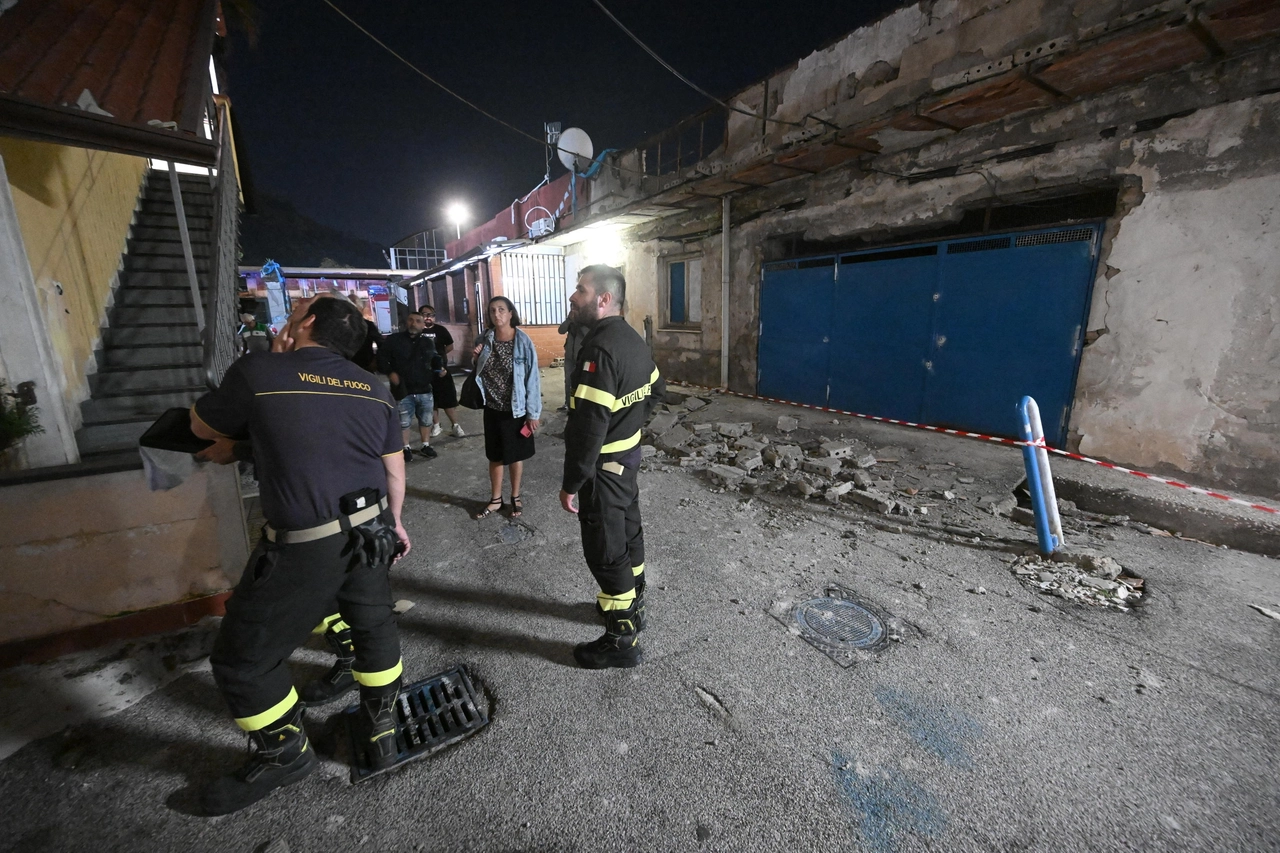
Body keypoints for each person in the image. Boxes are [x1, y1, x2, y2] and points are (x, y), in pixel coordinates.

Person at [189, 296, 410, 815]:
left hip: (306, 545)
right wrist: (396, 524)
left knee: (243, 661)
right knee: (371, 625)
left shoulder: (261, 370)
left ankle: (285, 752)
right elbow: (393, 468)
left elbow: (201, 432)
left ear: (307, 323)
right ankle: (383, 731)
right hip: (371, 530)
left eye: (297, 312)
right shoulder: (373, 388)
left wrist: (243, 441)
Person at [559, 265, 663, 670]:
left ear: (603, 299)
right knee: (627, 530)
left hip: (604, 469)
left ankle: (622, 638)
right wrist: (631, 426)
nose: (573, 297)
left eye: (580, 291)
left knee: (605, 548)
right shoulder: (632, 339)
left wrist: (572, 482)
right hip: (628, 459)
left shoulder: (600, 349)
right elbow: (657, 388)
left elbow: (588, 428)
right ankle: (632, 601)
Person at [470, 296, 541, 519]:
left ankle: (515, 496)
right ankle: (496, 499)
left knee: (515, 455)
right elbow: (478, 370)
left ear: (511, 313)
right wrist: (475, 359)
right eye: (492, 310)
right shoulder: (484, 339)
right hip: (492, 408)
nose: (497, 314)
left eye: (502, 309)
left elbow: (532, 378)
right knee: (495, 456)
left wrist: (533, 413)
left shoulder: (523, 341)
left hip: (516, 410)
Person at [378, 311, 444, 461]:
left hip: (424, 388)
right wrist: (390, 372)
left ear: (423, 325)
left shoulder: (427, 342)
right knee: (403, 422)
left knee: (426, 420)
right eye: (411, 320)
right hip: (403, 390)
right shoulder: (394, 340)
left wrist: (440, 369)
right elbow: (382, 359)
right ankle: (405, 448)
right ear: (406, 322)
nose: (413, 323)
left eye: (417, 321)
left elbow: (435, 357)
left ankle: (425, 445)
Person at [419, 307, 464, 438]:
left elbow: (450, 346)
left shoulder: (441, 330)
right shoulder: (418, 331)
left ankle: (455, 425)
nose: (428, 317)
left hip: (442, 371)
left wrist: (440, 358)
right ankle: (436, 425)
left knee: (448, 399)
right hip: (424, 372)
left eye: (431, 315)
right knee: (431, 400)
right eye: (425, 314)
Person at [557, 313, 588, 412]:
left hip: (582, 357)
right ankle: (568, 405)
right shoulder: (570, 321)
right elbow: (561, 330)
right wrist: (569, 320)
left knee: (582, 381)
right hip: (569, 357)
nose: (574, 310)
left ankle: (580, 407)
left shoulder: (586, 320)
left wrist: (580, 322)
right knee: (568, 381)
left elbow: (586, 334)